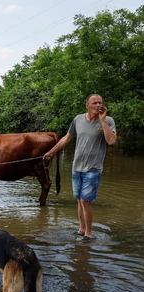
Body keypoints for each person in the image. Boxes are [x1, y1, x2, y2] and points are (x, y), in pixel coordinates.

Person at [43, 94, 116, 241]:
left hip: (93, 168)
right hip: (77, 167)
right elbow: (67, 138)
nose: (98, 105)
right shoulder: (78, 119)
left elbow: (111, 141)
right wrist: (51, 152)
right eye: (94, 103)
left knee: (85, 201)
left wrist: (103, 121)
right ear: (87, 106)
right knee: (79, 200)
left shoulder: (108, 121)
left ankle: (89, 234)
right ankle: (81, 230)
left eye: (100, 103)